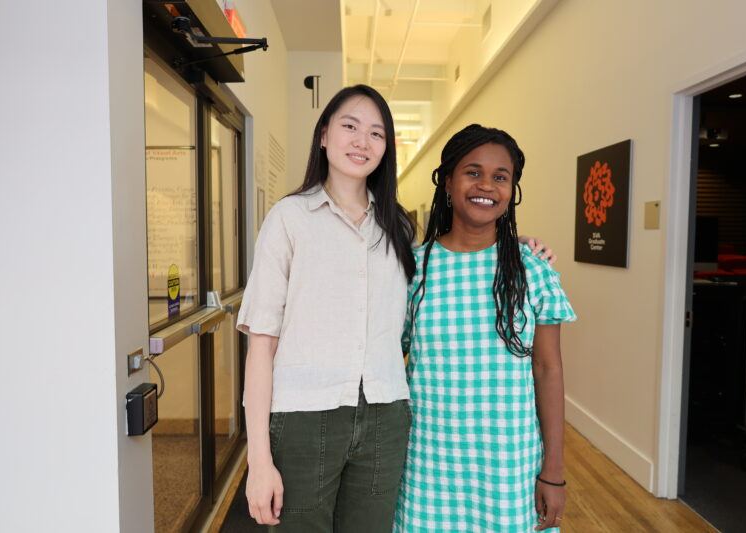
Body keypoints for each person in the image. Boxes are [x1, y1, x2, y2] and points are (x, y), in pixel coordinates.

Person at [236, 86, 555, 532]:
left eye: (376, 133)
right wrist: (258, 459)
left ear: (386, 149)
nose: (361, 142)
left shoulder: (399, 228)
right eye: (349, 126)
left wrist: (511, 244)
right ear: (324, 134)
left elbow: (449, 258)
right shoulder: (288, 219)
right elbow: (261, 347)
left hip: (387, 418)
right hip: (306, 418)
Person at [394, 124, 576, 532]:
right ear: (447, 182)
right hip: (427, 462)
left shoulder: (532, 270)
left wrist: (554, 470)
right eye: (472, 172)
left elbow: (548, 371)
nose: (487, 186)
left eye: (500, 177)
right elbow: (389, 362)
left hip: (509, 464)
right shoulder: (413, 271)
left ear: (512, 190)